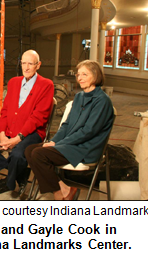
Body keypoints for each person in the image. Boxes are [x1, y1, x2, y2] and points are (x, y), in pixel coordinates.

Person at [25, 60, 114, 200]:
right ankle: (64, 190)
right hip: (71, 144)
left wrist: (58, 145)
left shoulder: (102, 100)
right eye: (78, 74)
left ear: (96, 75)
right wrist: (54, 141)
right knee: (29, 150)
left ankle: (60, 194)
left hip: (86, 148)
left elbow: (88, 132)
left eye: (85, 74)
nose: (80, 78)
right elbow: (66, 125)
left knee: (39, 154)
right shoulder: (79, 97)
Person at [0, 50, 54, 195]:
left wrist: (17, 139)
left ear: (38, 65)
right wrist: (2, 133)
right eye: (23, 63)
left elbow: (38, 117)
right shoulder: (14, 82)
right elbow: (5, 110)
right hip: (9, 129)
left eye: (30, 64)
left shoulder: (46, 85)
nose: (26, 67)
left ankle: (8, 182)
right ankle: (15, 174)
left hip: (32, 133)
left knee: (17, 154)